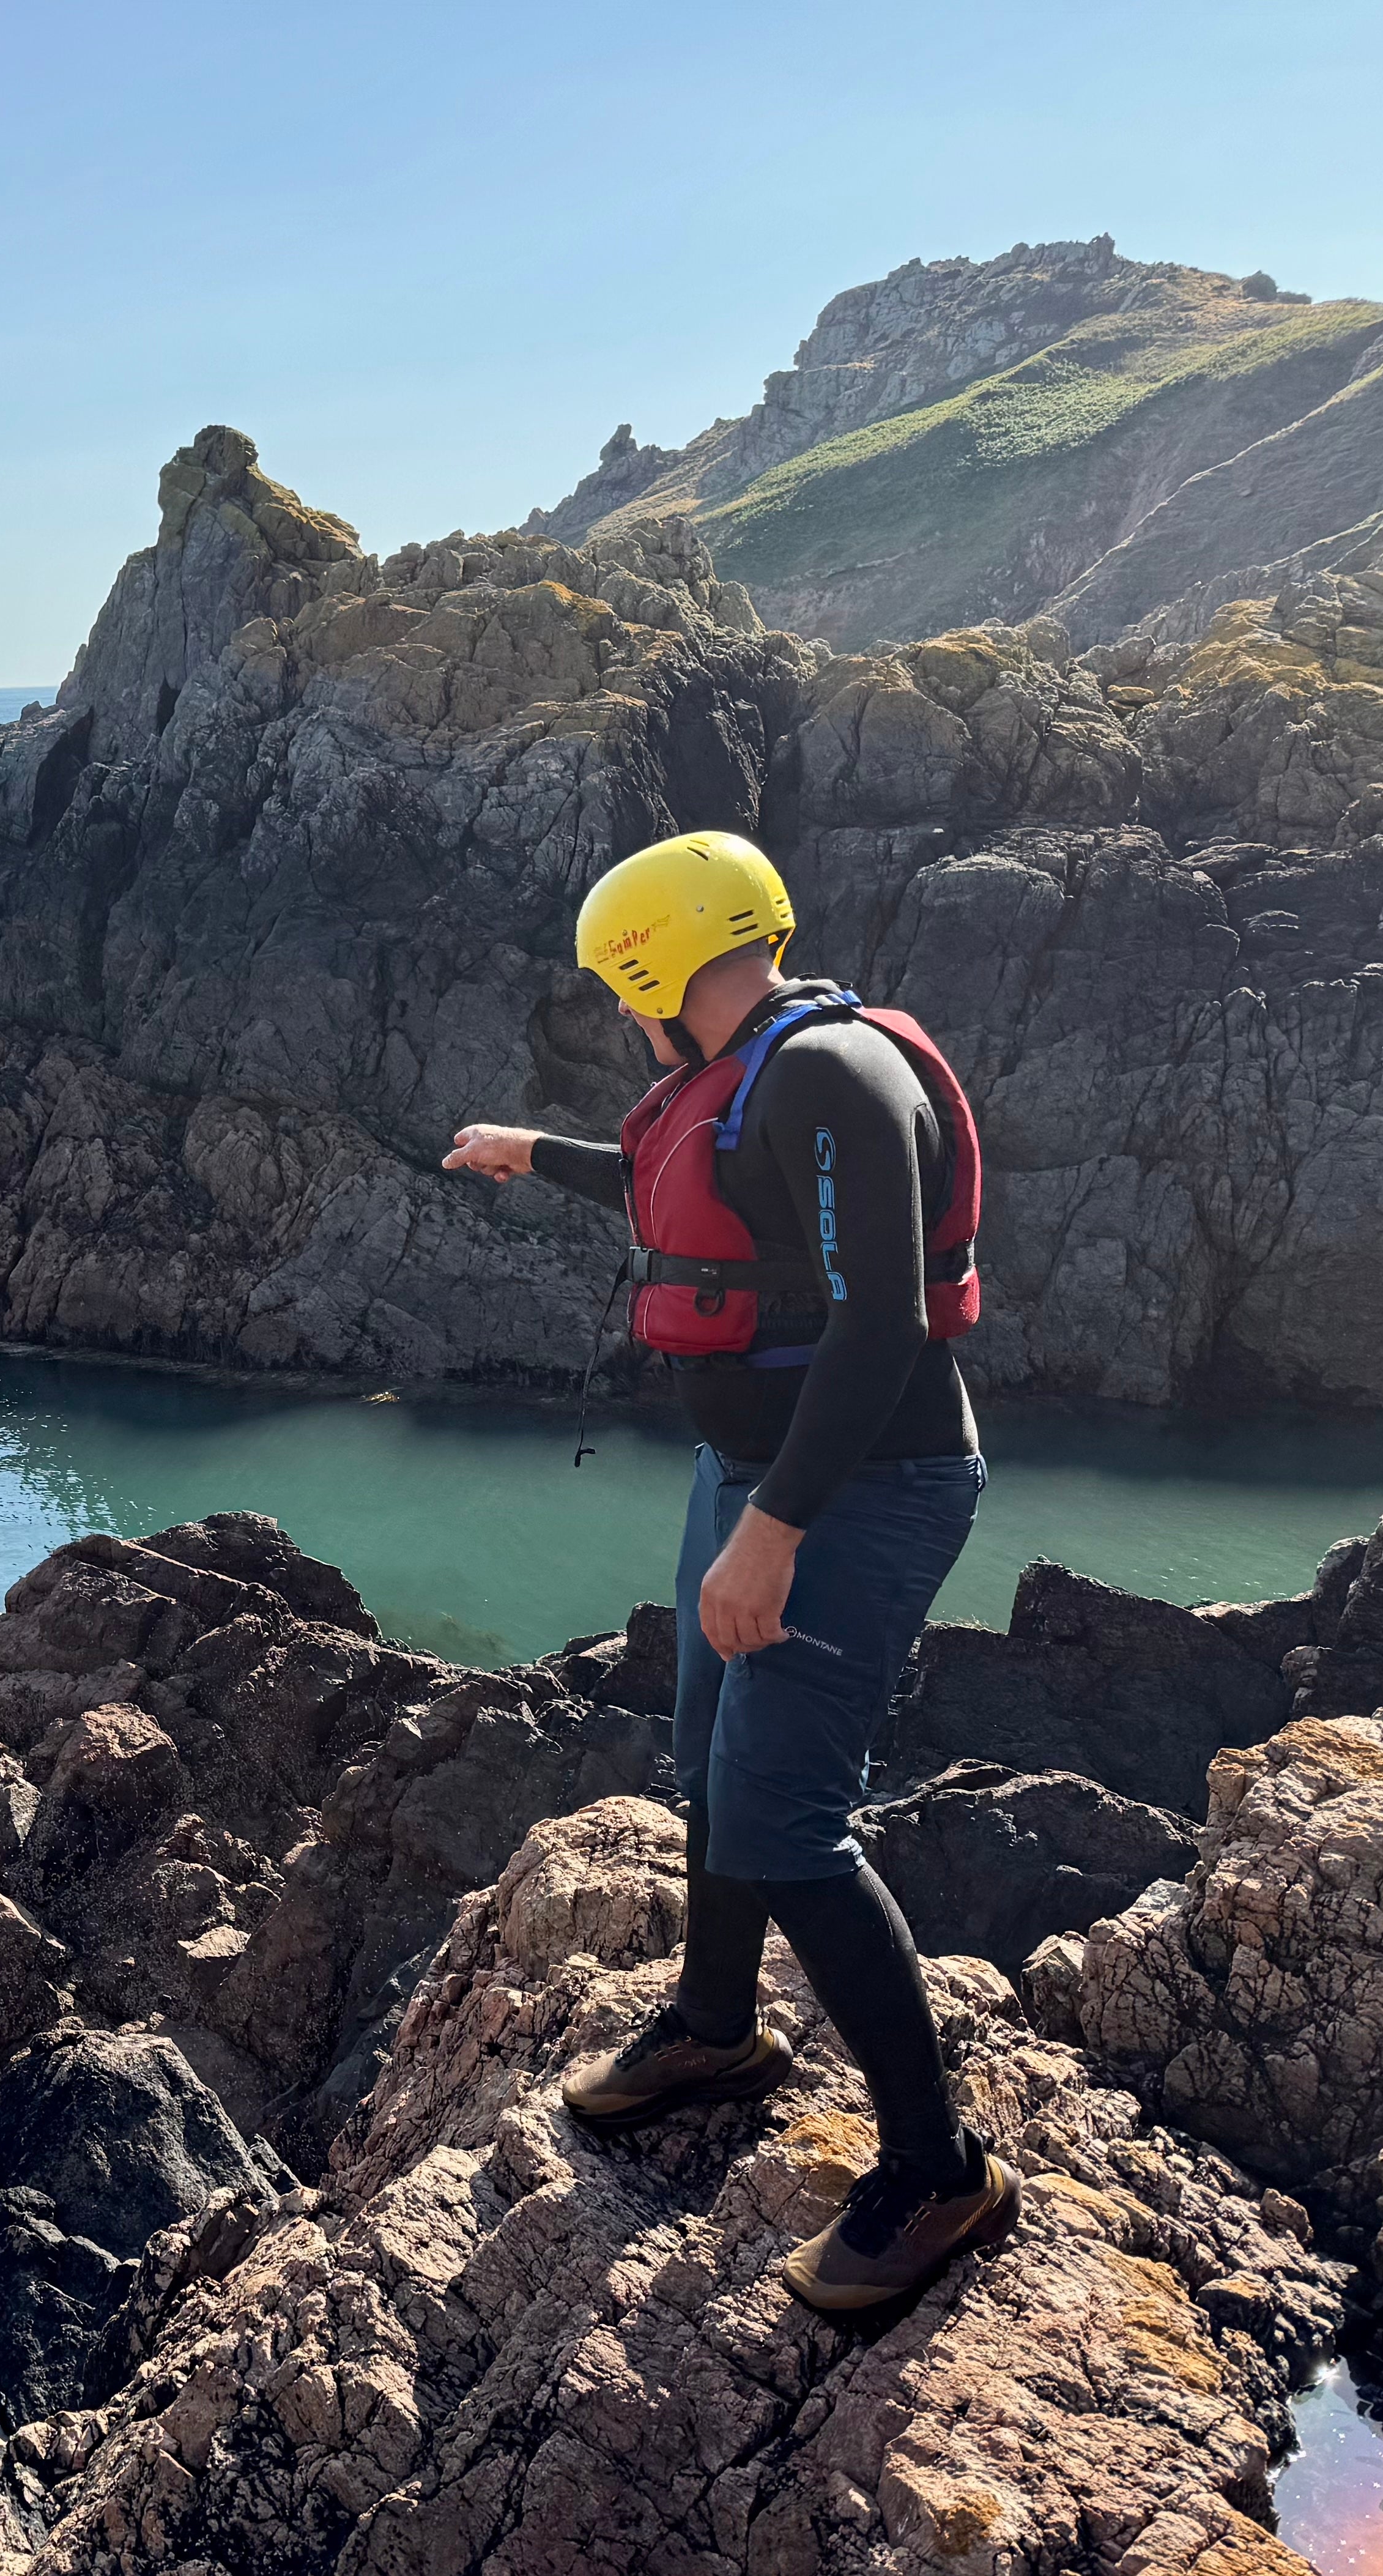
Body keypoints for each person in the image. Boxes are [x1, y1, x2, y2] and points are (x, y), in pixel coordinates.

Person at [440, 830, 1014, 2312]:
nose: (616, 1009)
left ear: (647, 968)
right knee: (709, 1759)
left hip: (856, 1495)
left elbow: (881, 1323)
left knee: (783, 1816)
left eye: (613, 984)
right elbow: (701, 1203)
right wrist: (531, 1152)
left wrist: (778, 1533)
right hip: (753, 1477)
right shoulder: (756, 1065)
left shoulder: (829, 1075)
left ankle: (942, 2172)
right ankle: (713, 2025)